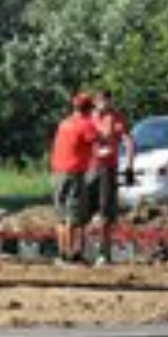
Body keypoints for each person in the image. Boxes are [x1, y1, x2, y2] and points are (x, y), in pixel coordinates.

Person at [49, 93, 101, 264]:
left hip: (57, 171)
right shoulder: (85, 124)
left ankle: (61, 254)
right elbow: (100, 140)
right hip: (74, 173)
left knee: (60, 215)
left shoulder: (64, 123)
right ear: (89, 109)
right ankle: (71, 255)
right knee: (74, 215)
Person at [87, 93, 134, 262]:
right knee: (83, 210)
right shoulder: (88, 117)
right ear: (94, 102)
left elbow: (128, 141)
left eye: (106, 100)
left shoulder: (115, 117)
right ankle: (83, 249)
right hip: (87, 167)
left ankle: (104, 251)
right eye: (99, 100)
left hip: (107, 167)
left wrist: (129, 166)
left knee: (105, 210)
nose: (103, 104)